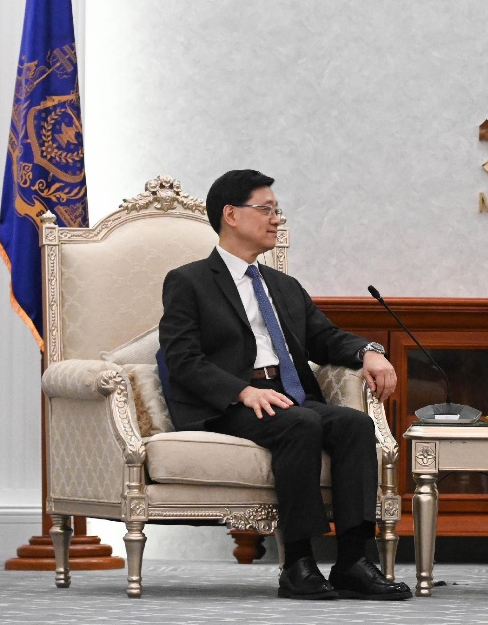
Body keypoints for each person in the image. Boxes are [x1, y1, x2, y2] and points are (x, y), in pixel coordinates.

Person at [159, 169, 411, 601]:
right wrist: (242, 391)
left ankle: (353, 560)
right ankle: (298, 563)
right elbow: (183, 359)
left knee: (353, 425)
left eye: (278, 210)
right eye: (267, 209)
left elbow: (326, 338)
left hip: (288, 397)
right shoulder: (189, 282)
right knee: (300, 425)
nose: (277, 219)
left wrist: (369, 350)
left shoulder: (283, 286)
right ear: (231, 215)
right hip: (232, 404)